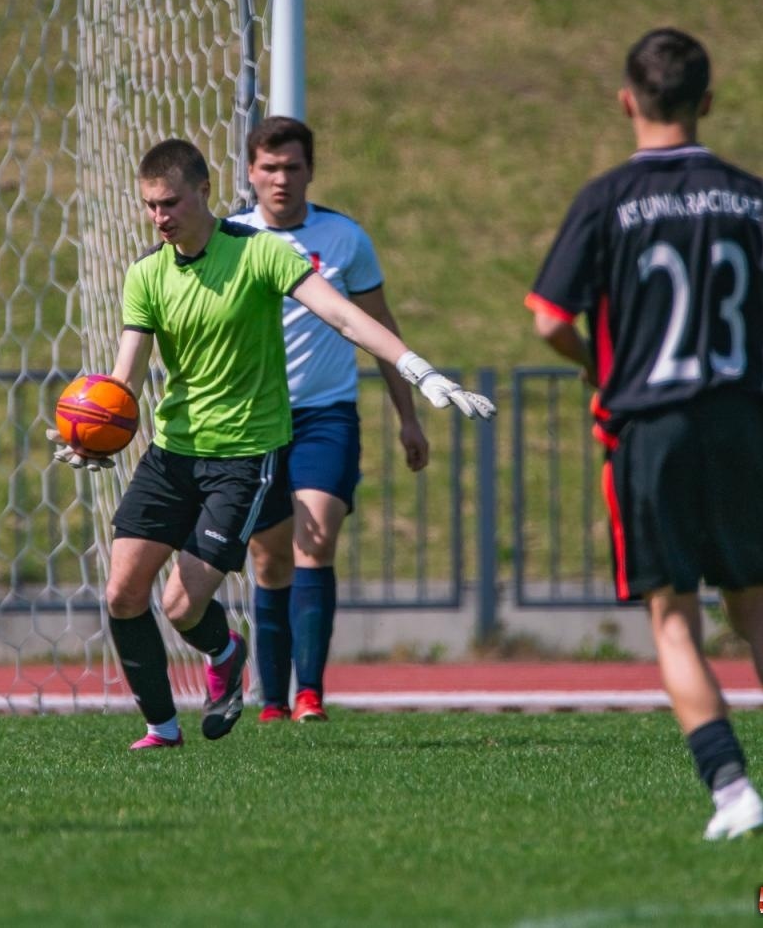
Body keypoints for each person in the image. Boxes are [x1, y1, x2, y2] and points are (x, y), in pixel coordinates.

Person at [526, 27, 763, 840]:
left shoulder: (608, 198)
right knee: (755, 606)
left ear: (626, 101)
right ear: (706, 100)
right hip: (739, 419)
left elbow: (548, 317)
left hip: (652, 425)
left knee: (674, 615)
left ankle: (732, 789)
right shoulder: (750, 194)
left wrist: (601, 370)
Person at [51, 139, 492, 750]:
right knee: (123, 593)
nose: (159, 216)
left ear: (203, 191)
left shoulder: (259, 253)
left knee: (181, 606)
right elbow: (123, 380)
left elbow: (342, 315)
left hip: (244, 457)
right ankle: (162, 729)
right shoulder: (146, 273)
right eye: (150, 205)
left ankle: (227, 652)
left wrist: (420, 370)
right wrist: (95, 434)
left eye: (170, 202)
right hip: (173, 452)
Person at [228, 117, 429, 723]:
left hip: (326, 416)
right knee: (269, 559)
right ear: (250, 172)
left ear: (310, 171)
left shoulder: (344, 238)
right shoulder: (229, 239)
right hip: (255, 421)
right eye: (269, 167)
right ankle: (272, 699)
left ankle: (310, 694)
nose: (281, 179)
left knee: (314, 541)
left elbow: (379, 327)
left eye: (292, 167)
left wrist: (408, 417)